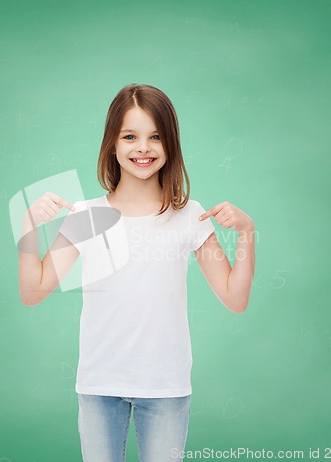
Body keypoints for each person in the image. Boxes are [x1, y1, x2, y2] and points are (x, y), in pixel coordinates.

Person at [18, 83, 256, 462]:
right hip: (99, 384)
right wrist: (29, 227)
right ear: (112, 144)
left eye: (155, 137)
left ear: (171, 145)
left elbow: (235, 298)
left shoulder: (190, 215)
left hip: (165, 387)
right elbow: (33, 292)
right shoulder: (86, 216)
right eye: (130, 136)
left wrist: (246, 232)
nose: (142, 148)